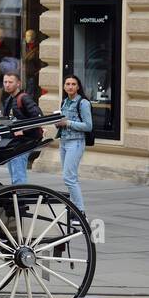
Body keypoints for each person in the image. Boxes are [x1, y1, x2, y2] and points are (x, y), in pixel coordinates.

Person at [56, 75, 93, 214]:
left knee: (69, 178)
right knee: (71, 178)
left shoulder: (83, 103)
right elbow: (63, 121)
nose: (70, 86)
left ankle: (79, 212)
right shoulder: (64, 102)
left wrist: (68, 123)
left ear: (78, 87)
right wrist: (58, 123)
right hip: (64, 142)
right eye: (67, 84)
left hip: (76, 143)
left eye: (73, 84)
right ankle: (73, 210)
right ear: (64, 86)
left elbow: (88, 126)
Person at [0, 70, 42, 185]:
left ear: (18, 83)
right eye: (5, 82)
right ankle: (17, 197)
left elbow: (38, 117)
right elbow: (10, 121)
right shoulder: (8, 100)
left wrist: (23, 130)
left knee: (18, 175)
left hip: (25, 141)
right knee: (14, 172)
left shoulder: (24, 98)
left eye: (10, 82)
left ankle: (20, 199)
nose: (7, 85)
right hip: (15, 142)